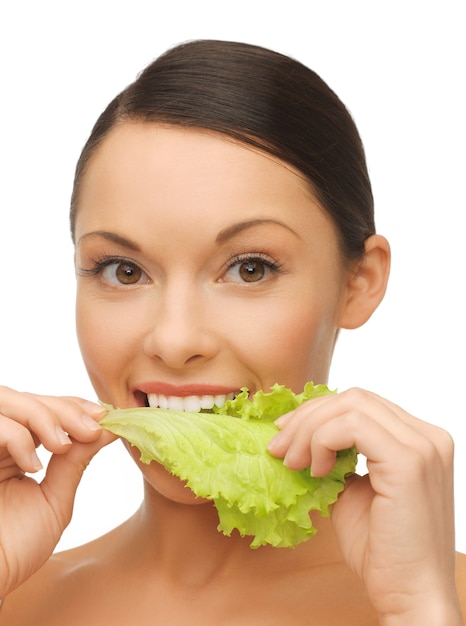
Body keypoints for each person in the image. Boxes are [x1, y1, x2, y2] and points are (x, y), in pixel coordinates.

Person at [0, 39, 464, 625]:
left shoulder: (443, 602)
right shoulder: (17, 597)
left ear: (359, 282)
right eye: (124, 271)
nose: (174, 340)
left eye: (250, 268)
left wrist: (421, 608)